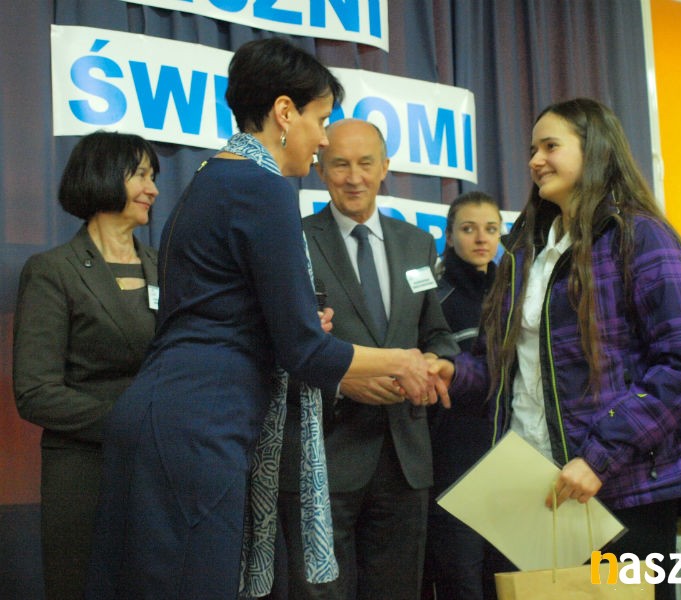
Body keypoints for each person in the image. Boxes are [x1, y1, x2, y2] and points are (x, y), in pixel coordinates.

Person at [83, 39, 443, 600]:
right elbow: (307, 352)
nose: (323, 140)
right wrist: (402, 361)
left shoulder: (214, 176)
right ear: (284, 112)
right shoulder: (262, 186)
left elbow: (225, 312)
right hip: (199, 426)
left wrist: (295, 326)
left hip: (168, 418)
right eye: (321, 120)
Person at [437, 98, 681, 600]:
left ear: (596, 150)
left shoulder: (641, 237)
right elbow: (501, 366)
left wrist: (599, 458)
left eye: (550, 146)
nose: (535, 160)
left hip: (620, 489)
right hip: (531, 488)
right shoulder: (525, 251)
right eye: (532, 149)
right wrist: (448, 374)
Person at [277, 118, 459, 600]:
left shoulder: (417, 243)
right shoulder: (292, 242)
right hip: (324, 456)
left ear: (385, 168)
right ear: (320, 170)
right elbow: (275, 350)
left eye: (365, 163)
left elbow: (437, 334)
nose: (354, 177)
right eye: (340, 164)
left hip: (405, 457)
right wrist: (342, 380)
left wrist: (438, 365)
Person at [12, 131, 160, 600]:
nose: (153, 189)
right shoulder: (53, 271)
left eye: (153, 177)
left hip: (158, 471)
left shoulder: (167, 267)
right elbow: (35, 393)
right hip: (84, 476)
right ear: (103, 176)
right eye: (141, 176)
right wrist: (130, 422)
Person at [423, 191, 515, 600]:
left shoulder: (515, 295)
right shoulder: (433, 298)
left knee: (508, 581)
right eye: (468, 229)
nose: (481, 238)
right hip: (453, 460)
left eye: (491, 229)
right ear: (448, 235)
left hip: (513, 458)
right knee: (461, 580)